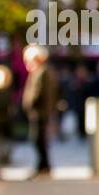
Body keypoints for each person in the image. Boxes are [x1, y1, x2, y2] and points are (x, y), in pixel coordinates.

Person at [20, 46, 58, 178]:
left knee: (39, 140)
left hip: (40, 112)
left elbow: (39, 94)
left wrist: (29, 103)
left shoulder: (42, 73)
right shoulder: (40, 72)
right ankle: (43, 165)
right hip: (39, 112)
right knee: (38, 140)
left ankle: (43, 166)